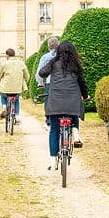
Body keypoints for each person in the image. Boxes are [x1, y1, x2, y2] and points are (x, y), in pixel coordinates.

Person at [38, 40, 87, 171]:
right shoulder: (76, 65)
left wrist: (51, 63)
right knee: (74, 110)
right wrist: (86, 96)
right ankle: (75, 132)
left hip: (55, 101)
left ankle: (53, 160)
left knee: (54, 130)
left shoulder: (53, 63)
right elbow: (82, 83)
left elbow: (42, 73)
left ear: (59, 51)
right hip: (72, 101)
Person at [0, 48, 28, 125]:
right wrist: (25, 81)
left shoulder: (4, 64)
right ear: (14, 54)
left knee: (3, 96)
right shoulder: (21, 63)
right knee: (16, 100)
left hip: (6, 89)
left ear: (7, 55)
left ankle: (4, 107)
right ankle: (16, 116)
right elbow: (27, 76)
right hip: (17, 88)